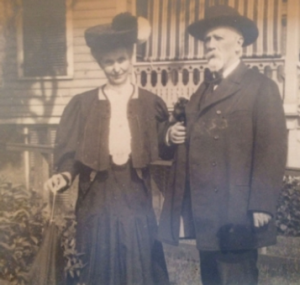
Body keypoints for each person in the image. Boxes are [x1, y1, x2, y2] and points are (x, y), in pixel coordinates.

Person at [158, 5, 287, 285]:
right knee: (212, 279)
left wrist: (262, 203)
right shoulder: (203, 91)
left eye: (218, 38)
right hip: (207, 211)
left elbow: (272, 148)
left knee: (236, 277)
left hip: (237, 210)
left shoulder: (260, 86)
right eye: (207, 40)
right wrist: (173, 134)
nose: (210, 46)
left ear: (239, 44)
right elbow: (189, 135)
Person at [44, 13, 170, 285]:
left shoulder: (150, 103)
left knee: (137, 262)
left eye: (121, 59)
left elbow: (164, 146)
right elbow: (71, 156)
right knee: (100, 265)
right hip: (97, 196)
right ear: (101, 63)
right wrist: (64, 175)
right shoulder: (84, 105)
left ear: (131, 58)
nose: (116, 68)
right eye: (109, 62)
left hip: (135, 194)